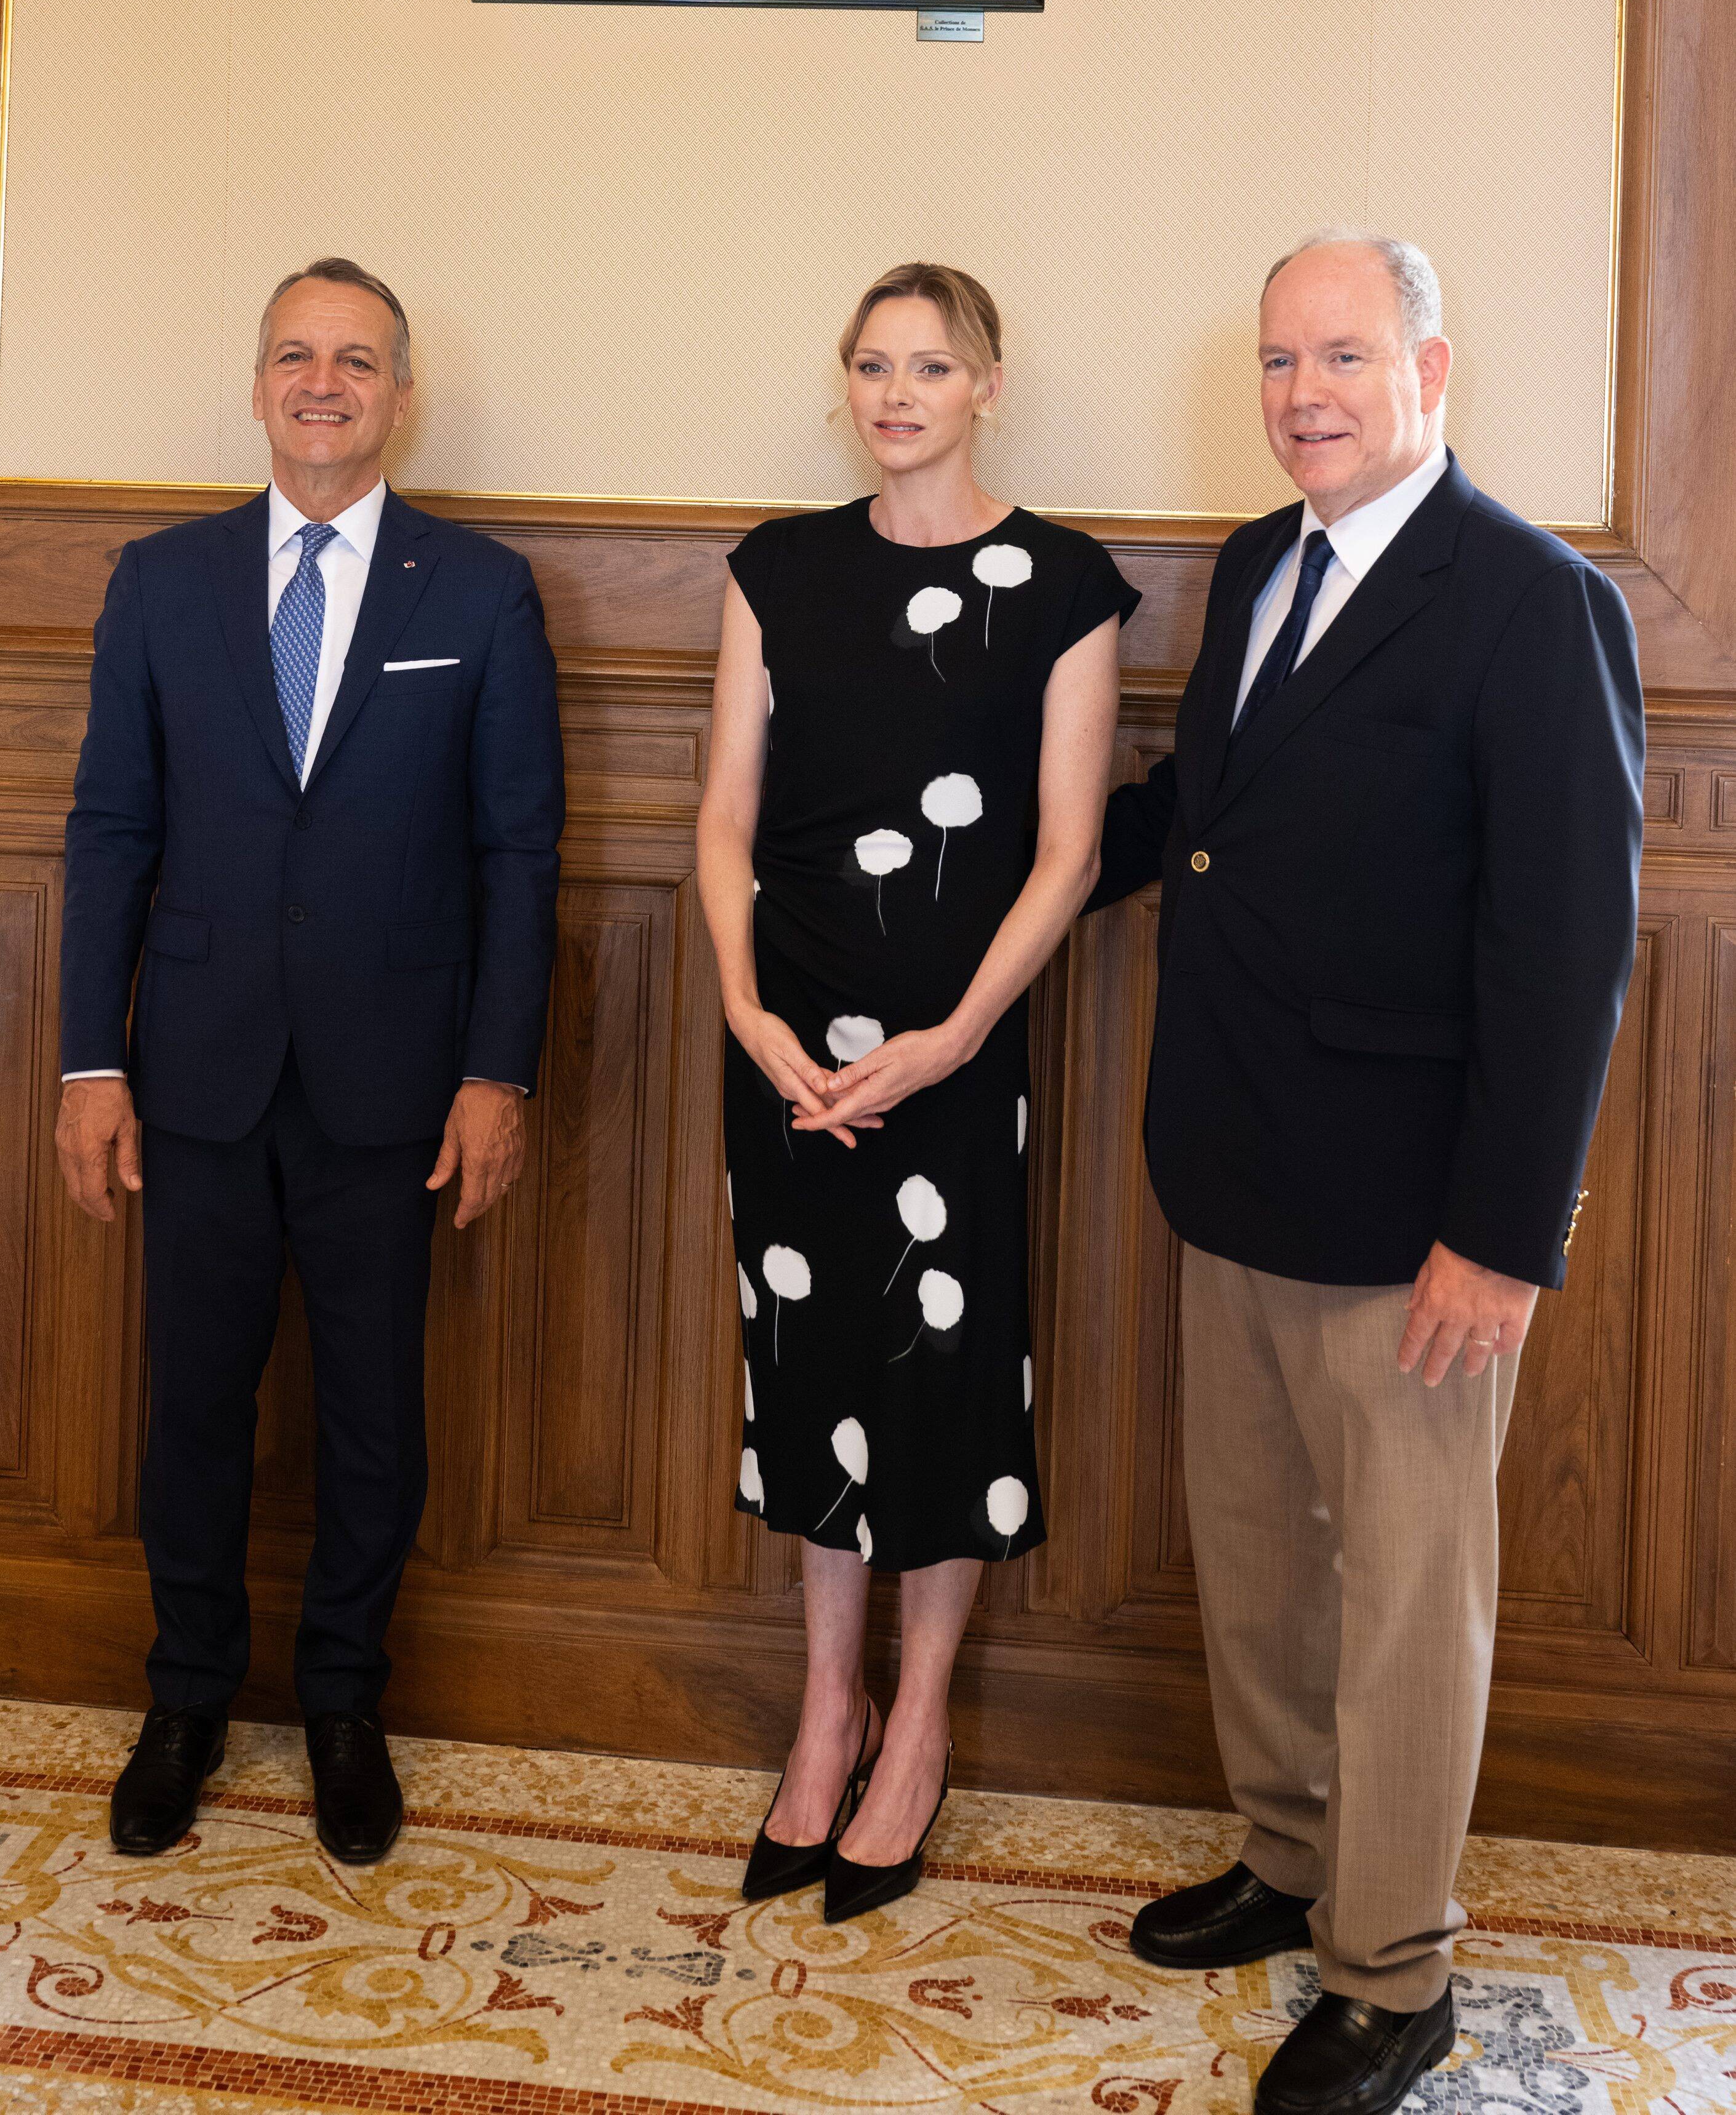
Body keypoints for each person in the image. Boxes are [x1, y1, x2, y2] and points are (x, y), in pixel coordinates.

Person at [1089, 234, 1642, 2115]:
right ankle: (1289, 1853)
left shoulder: (1529, 598)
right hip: (1230, 1166)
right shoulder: (1260, 561)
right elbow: (1205, 824)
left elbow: (1565, 945)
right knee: (1255, 1562)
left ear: (1429, 367)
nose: (1303, 391)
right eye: (1276, 358)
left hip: (1418, 1220)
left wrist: (1500, 1237)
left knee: (1406, 1594)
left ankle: (1390, 1967)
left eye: (1340, 354)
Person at [56, 258, 564, 1868]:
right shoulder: (160, 581)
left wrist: (500, 1075)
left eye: (356, 360)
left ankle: (344, 1701)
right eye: (295, 354)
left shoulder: (476, 593)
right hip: (192, 1070)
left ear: (399, 394)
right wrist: (87, 1060)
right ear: (258, 381)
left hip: (392, 1085)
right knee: (192, 1405)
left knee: (370, 1416)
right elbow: (110, 831)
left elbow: (519, 850)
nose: (322, 381)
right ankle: (187, 1699)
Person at [696, 262, 1136, 1922]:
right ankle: (827, 1711)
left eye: (930, 367)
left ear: (986, 386)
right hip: (787, 1052)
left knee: (941, 1377)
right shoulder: (777, 572)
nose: (897, 394)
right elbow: (725, 823)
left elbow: (1070, 848)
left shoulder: (1064, 586)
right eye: (872, 366)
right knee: (808, 1364)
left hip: (956, 1055)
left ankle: (922, 1720)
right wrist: (744, 1012)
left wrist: (952, 1038)